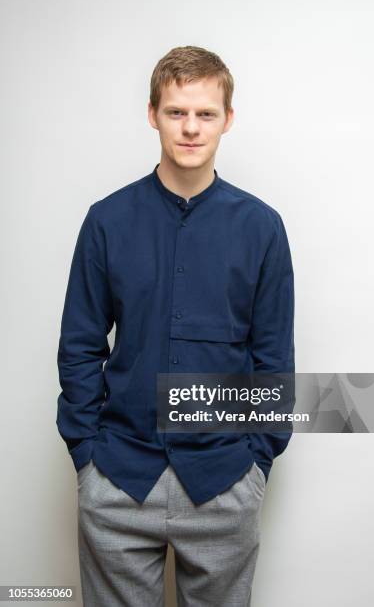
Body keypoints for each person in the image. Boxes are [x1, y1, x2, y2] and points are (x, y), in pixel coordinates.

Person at [56, 45, 295, 607]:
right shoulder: (106, 221)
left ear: (227, 120)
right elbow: (80, 345)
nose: (190, 128)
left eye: (206, 114)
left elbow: (274, 359)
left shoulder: (262, 227)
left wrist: (256, 461)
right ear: (152, 114)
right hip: (118, 477)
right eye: (175, 112)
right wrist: (88, 457)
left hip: (224, 480)